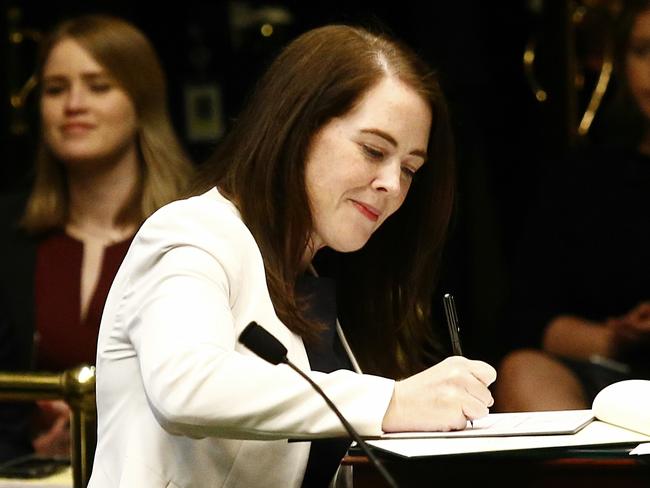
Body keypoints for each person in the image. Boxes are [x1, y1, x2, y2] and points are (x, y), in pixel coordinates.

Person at [87, 24, 496, 488]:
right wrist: (392, 401)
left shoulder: (311, 277)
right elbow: (185, 387)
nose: (392, 185)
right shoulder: (193, 232)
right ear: (297, 126)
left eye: (409, 169)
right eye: (372, 150)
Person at [0, 14, 194, 461]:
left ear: (141, 101)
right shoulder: (10, 234)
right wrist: (26, 443)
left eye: (98, 86)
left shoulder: (190, 230)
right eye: (55, 89)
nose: (73, 104)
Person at [494, 1, 650, 412]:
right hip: (614, 379)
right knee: (522, 371)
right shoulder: (585, 179)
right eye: (643, 51)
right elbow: (527, 318)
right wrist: (613, 337)